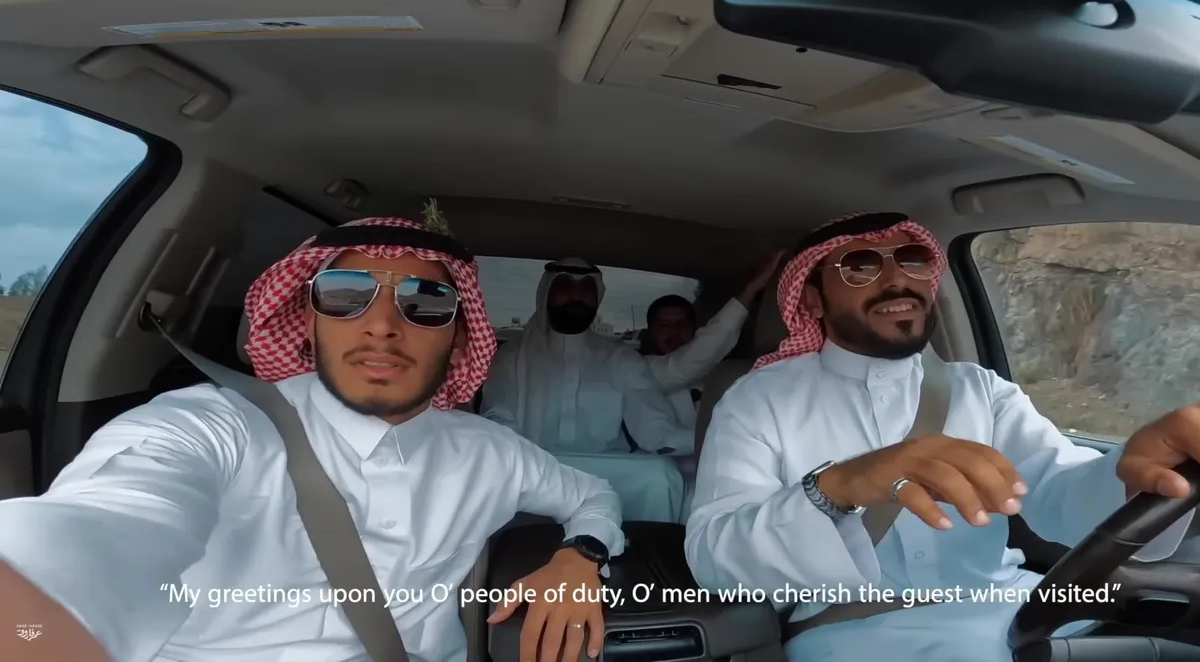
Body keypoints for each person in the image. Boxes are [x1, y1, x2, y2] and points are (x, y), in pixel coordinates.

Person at [0, 210, 624, 662]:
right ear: (308, 321)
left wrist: (579, 558)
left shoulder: (490, 453)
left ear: (461, 338)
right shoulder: (212, 428)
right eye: (346, 295)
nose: (382, 324)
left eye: (426, 301)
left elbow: (592, 494)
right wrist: (35, 621)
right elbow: (102, 529)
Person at [684, 211, 1200, 662]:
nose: (897, 280)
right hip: (855, 633)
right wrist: (841, 486)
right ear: (812, 300)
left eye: (911, 260)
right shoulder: (758, 399)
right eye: (861, 266)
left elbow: (1062, 493)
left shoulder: (978, 389)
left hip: (1025, 612)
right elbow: (715, 559)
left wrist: (1135, 470)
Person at [481, 258, 689, 522]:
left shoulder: (622, 358)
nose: (576, 296)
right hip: (535, 466)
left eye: (586, 289)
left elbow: (655, 431)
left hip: (605, 469)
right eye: (566, 286)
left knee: (661, 474)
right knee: (499, 470)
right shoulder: (512, 356)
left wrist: (712, 438)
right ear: (547, 294)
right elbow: (499, 421)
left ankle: (646, 549)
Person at [641, 251, 784, 431]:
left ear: (696, 329)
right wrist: (751, 290)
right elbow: (689, 363)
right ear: (650, 332)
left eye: (681, 324)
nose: (674, 331)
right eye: (664, 325)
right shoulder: (642, 371)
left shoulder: (732, 377)